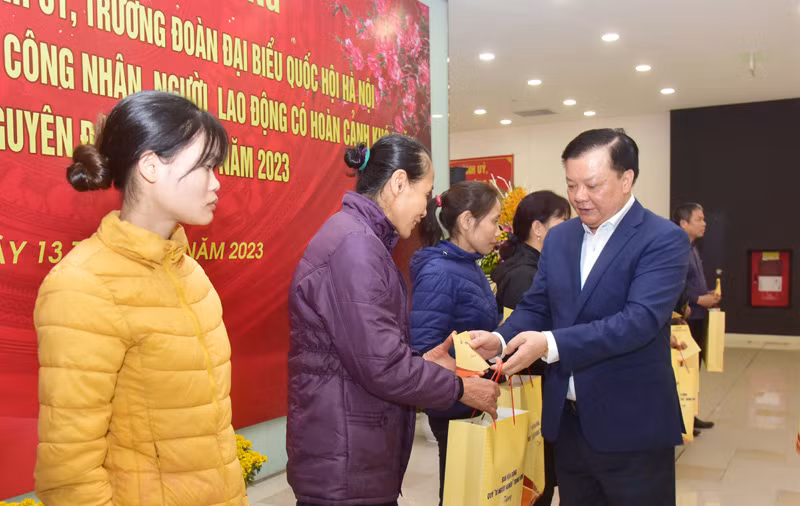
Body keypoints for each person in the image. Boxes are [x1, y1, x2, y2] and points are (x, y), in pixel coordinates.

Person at [34, 91, 249, 505]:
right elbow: (69, 473)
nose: (217, 182)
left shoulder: (192, 274)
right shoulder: (82, 285)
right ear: (151, 167)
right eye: (204, 166)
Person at [469, 128, 689, 506]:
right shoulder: (561, 238)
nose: (579, 197)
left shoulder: (661, 239)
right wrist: (502, 339)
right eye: (571, 185)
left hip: (633, 428)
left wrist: (550, 344)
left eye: (592, 184)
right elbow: (539, 305)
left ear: (626, 179)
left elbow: (637, 321)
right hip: (569, 425)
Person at [287, 134, 500, 506]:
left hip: (354, 448)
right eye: (426, 192)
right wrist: (462, 390)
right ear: (399, 183)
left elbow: (366, 353)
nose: (427, 209)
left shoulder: (362, 240)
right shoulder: (355, 247)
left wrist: (423, 363)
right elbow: (381, 366)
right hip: (345, 460)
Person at [410, 181, 503, 505]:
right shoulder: (439, 271)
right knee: (459, 492)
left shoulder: (467, 264)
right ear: (466, 221)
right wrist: (463, 388)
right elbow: (426, 347)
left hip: (473, 397)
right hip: (455, 402)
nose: (498, 229)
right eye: (493, 220)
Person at [491, 189, 570, 506]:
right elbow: (523, 339)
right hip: (531, 389)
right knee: (538, 484)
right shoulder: (526, 274)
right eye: (562, 221)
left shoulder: (535, 266)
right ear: (539, 228)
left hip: (538, 388)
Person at [672, 202, 720, 431]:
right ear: (684, 223)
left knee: (694, 368)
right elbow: (676, 283)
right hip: (685, 320)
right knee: (684, 369)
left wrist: (706, 295)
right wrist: (698, 300)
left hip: (699, 317)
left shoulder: (692, 247)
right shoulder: (676, 249)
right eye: (699, 219)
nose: (704, 223)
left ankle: (691, 413)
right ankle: (681, 417)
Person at [493, 190, 571, 312]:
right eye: (564, 223)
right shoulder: (521, 276)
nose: (569, 230)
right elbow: (517, 328)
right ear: (538, 228)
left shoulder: (540, 265)